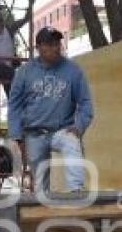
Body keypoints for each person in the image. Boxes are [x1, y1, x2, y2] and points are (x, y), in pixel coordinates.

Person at [8, 26, 93, 194]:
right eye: (50, 44)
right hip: (34, 133)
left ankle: (76, 191)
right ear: (38, 47)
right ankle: (43, 210)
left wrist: (79, 126)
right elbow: (15, 106)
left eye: (57, 43)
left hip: (61, 130)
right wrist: (16, 136)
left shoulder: (73, 71)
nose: (56, 47)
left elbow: (85, 103)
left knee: (72, 142)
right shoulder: (24, 72)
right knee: (40, 187)